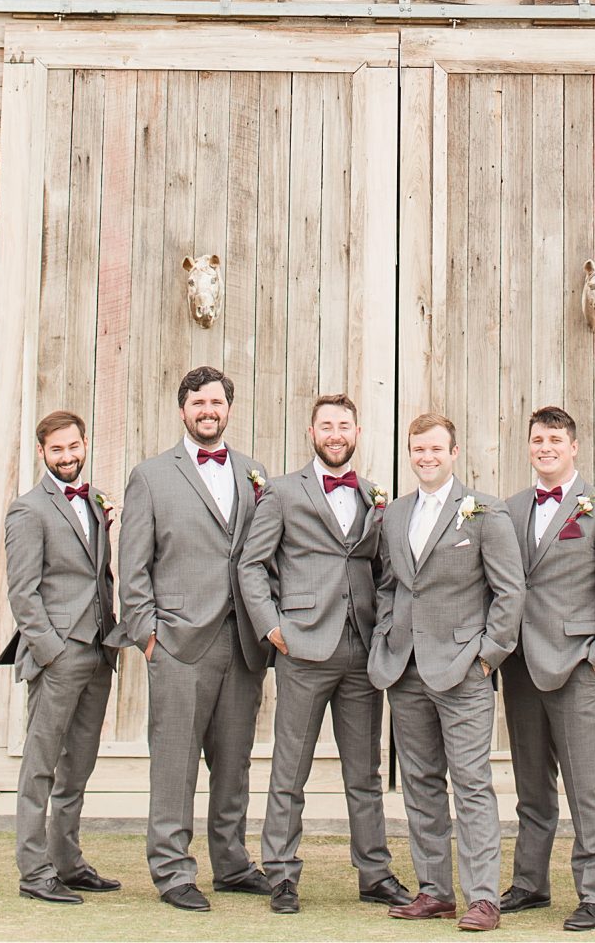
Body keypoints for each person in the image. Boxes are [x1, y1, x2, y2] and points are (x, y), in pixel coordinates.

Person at [238, 391, 414, 915]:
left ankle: (375, 873)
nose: (335, 434)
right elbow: (252, 565)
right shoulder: (283, 492)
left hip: (362, 650)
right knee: (290, 768)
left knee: (365, 772)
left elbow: (385, 573)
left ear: (356, 434)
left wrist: (384, 629)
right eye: (326, 426)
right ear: (312, 434)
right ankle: (282, 875)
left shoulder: (375, 495)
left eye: (344, 426)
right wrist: (272, 627)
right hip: (303, 647)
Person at [113, 365, 271, 912]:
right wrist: (148, 634)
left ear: (229, 409)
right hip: (178, 643)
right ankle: (172, 870)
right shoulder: (151, 476)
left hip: (244, 643)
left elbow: (265, 556)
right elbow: (132, 566)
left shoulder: (255, 473)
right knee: (174, 762)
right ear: (183, 409)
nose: (209, 411)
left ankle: (231, 863)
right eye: (198, 402)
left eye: (218, 403)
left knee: (235, 762)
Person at [368, 412, 525, 933]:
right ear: (409, 453)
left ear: (454, 452)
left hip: (463, 670)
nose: (426, 457)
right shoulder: (395, 514)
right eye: (418, 449)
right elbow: (390, 584)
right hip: (405, 668)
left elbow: (509, 592)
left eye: (436, 449)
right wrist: (386, 634)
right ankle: (434, 891)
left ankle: (483, 897)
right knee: (419, 781)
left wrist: (487, 656)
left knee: (472, 783)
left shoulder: (484, 513)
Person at [500, 406, 595, 933]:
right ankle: (531, 883)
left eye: (555, 439)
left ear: (573, 446)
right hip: (519, 667)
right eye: (538, 440)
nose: (545, 447)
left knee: (587, 787)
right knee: (531, 786)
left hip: (578, 666)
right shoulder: (510, 510)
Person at [1, 407, 120, 905]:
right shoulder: (28, 510)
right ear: (42, 452)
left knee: (79, 765)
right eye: (57, 450)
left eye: (74, 447)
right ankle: (34, 871)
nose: (68, 457)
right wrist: (51, 651)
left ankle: (67, 861)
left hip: (99, 649)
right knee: (41, 765)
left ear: (84, 443)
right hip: (58, 655)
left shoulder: (93, 500)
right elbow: (23, 593)